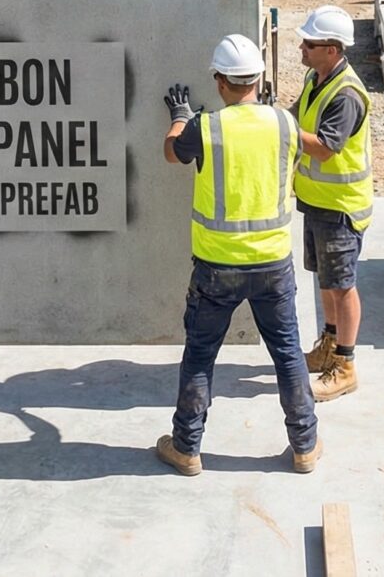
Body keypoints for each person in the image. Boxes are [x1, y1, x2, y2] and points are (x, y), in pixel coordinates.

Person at [155, 34, 322, 476]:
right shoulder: (284, 124)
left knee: (200, 355)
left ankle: (186, 448)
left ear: (219, 81)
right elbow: (312, 146)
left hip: (217, 268)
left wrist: (179, 117)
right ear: (258, 79)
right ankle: (304, 446)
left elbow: (171, 153)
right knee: (287, 353)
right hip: (272, 264)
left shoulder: (205, 128)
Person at [294, 5, 372, 402]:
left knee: (342, 286)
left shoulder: (346, 95)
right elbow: (298, 116)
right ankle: (328, 342)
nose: (302, 48)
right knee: (325, 279)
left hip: (341, 207)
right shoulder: (316, 77)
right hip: (317, 202)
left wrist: (282, 130)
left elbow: (324, 148)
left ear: (332, 49)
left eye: (309, 43)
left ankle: (345, 364)